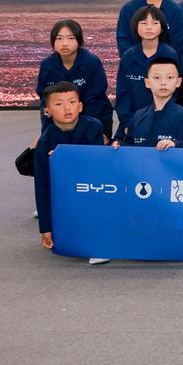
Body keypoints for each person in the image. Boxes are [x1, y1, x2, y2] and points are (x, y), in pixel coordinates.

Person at [34, 82, 107, 252]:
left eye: (72, 102)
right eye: (59, 104)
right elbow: (42, 187)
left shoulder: (94, 127)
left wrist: (66, 157)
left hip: (92, 190)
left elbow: (98, 167)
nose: (67, 108)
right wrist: (45, 228)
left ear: (80, 106)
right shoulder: (44, 143)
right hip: (64, 195)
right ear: (47, 111)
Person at [35, 19, 112, 138]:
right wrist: (46, 134)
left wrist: (93, 131)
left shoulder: (91, 62)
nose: (65, 43)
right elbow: (45, 99)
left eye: (71, 38)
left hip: (93, 117)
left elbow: (95, 100)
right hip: (59, 122)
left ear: (79, 40)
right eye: (59, 38)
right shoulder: (47, 65)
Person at [115, 6, 181, 135]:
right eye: (144, 23)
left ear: (162, 27)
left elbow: (174, 93)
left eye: (155, 23)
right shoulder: (128, 56)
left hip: (165, 123)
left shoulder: (170, 54)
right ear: (135, 27)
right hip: (132, 123)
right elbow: (123, 93)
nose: (149, 27)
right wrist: (128, 123)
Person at [114, 57, 183, 148]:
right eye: (157, 77)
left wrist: (176, 144)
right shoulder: (138, 116)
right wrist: (119, 145)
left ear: (178, 82)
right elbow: (130, 146)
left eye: (169, 77)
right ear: (147, 82)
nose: (163, 82)